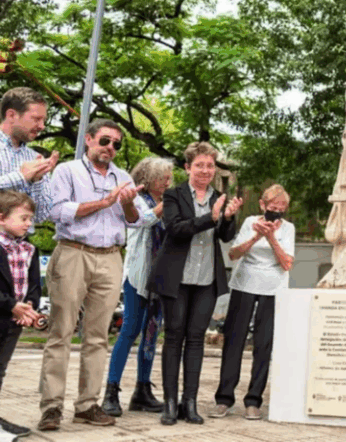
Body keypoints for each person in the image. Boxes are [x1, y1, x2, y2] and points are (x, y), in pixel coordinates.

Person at [38, 119, 145, 431]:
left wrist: (125, 205)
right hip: (73, 253)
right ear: (88, 140)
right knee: (61, 332)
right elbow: (57, 211)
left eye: (116, 144)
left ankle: (87, 405)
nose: (110, 148)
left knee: (98, 337)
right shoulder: (67, 172)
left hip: (110, 257)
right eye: (105, 141)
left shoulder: (123, 177)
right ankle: (51, 408)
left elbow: (135, 220)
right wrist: (105, 201)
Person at [148, 142, 242, 426]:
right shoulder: (174, 194)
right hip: (176, 277)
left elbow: (226, 237)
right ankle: (170, 403)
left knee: (197, 340)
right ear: (188, 167)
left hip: (206, 279)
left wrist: (226, 218)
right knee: (174, 336)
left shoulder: (220, 197)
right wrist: (210, 217)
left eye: (210, 165)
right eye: (200, 165)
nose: (206, 170)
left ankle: (190, 403)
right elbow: (175, 229)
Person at [210, 184, 295, 421]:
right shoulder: (249, 222)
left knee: (263, 344)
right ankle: (224, 399)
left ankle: (253, 400)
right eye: (272, 207)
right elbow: (234, 254)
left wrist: (271, 239)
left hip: (273, 289)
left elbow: (287, 263)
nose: (276, 212)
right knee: (234, 342)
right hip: (244, 285)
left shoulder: (288, 229)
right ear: (262, 205)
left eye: (281, 209)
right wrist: (257, 235)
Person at [102, 157, 174, 417]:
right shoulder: (137, 200)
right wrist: (163, 209)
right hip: (137, 276)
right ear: (148, 178)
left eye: (168, 177)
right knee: (130, 330)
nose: (167, 181)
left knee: (152, 334)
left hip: (160, 279)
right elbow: (139, 221)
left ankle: (142, 391)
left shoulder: (167, 202)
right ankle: (111, 390)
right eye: (162, 177)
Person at [0, 191, 42, 439]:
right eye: (24, 218)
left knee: (1, 369)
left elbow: (34, 285)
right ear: (2, 218)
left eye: (31, 219)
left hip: (14, 321)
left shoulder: (29, 249)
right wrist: (11, 305)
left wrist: (29, 308)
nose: (29, 223)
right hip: (4, 313)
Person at [0, 87, 59, 224]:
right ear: (11, 115)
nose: (42, 126)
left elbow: (40, 217)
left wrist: (37, 181)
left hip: (15, 244)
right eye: (36, 119)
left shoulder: (36, 159)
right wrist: (21, 177)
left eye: (44, 120)